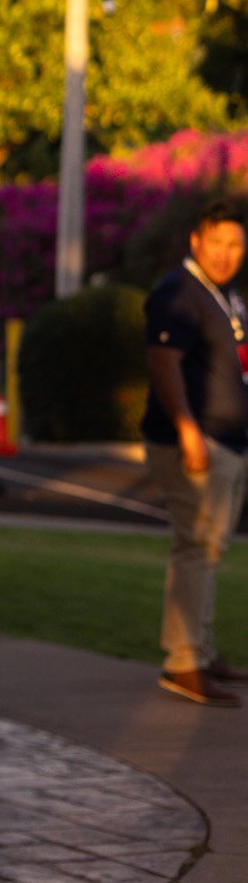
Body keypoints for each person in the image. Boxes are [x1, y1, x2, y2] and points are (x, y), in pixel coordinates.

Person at [142, 197, 248, 706]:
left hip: (227, 439)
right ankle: (183, 662)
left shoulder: (221, 293)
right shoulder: (178, 293)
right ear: (196, 241)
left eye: (236, 245)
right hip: (194, 441)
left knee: (211, 548)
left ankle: (201, 651)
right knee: (195, 546)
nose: (227, 254)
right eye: (218, 243)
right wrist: (187, 430)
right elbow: (164, 362)